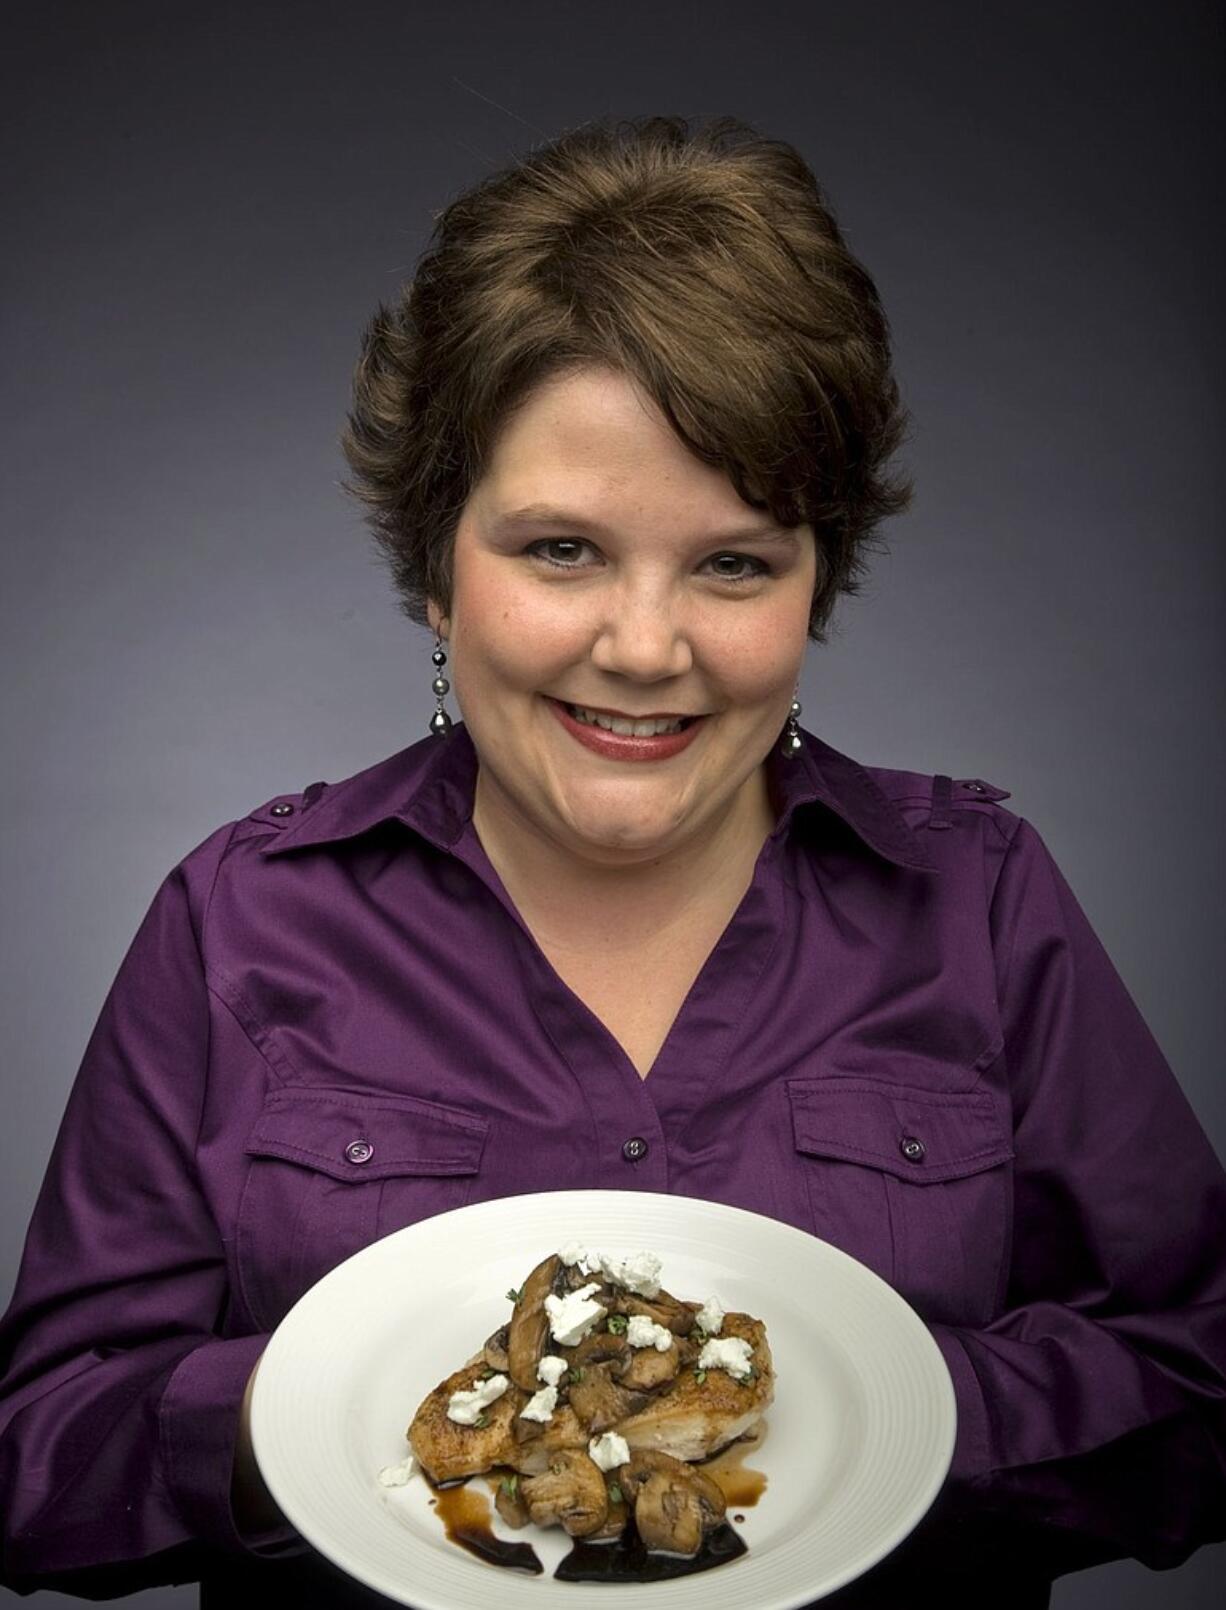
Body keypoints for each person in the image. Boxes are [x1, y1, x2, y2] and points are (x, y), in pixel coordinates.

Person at [1, 114, 1223, 1610]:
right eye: (560, 550)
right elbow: (39, 1460)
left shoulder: (975, 893)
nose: (643, 648)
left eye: (731, 561)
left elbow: (1197, 1374)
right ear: (434, 566)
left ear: (814, 578)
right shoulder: (240, 916)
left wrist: (879, 1418)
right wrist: (323, 1415)